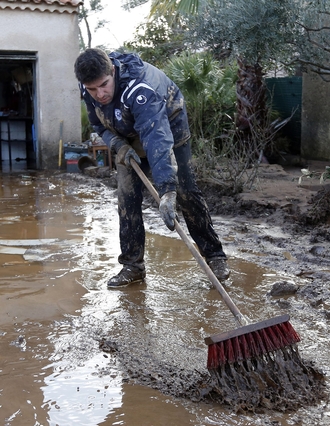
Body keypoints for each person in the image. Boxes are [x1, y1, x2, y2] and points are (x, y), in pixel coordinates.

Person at [74, 48, 230, 288]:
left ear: (112, 71)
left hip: (168, 127)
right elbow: (98, 124)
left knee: (185, 192)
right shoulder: (89, 89)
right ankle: (132, 266)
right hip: (126, 135)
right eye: (93, 89)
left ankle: (215, 258)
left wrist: (167, 189)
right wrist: (116, 144)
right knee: (127, 198)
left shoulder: (141, 90)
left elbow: (157, 138)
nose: (100, 94)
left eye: (104, 85)